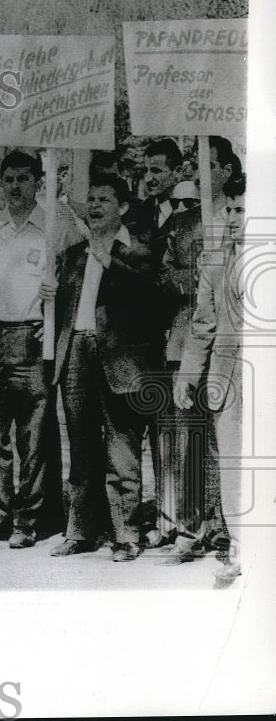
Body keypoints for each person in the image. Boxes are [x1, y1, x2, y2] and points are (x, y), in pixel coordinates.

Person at [44, 173, 160, 562]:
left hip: (120, 360)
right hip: (78, 351)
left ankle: (127, 534)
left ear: (123, 208)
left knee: (121, 449)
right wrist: (51, 293)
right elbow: (65, 308)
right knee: (80, 447)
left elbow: (145, 295)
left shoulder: (140, 251)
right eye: (90, 199)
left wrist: (106, 256)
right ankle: (80, 531)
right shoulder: (74, 254)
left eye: (104, 200)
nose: (94, 206)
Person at [0, 152, 82, 547]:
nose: (15, 185)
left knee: (34, 434)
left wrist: (62, 296)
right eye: (8, 178)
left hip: (35, 337)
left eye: (23, 178)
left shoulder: (56, 222)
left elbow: (84, 268)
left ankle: (28, 517)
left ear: (38, 181)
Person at [175, 174, 246, 585]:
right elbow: (202, 324)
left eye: (242, 210)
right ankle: (240, 546)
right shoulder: (214, 258)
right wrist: (188, 373)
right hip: (226, 373)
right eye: (230, 210)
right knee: (234, 463)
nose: (233, 218)